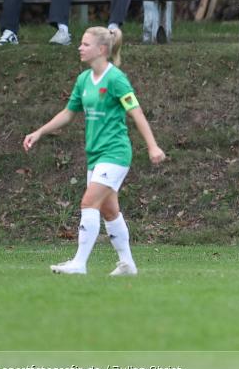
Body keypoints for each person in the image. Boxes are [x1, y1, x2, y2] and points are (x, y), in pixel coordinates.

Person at [23, 26, 165, 275]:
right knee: (109, 211)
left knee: (88, 202)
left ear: (101, 49)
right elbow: (68, 113)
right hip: (96, 155)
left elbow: (136, 112)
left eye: (85, 44)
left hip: (116, 153)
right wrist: (39, 132)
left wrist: (152, 146)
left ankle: (79, 263)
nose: (80, 47)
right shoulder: (83, 80)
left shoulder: (116, 79)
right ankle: (127, 264)